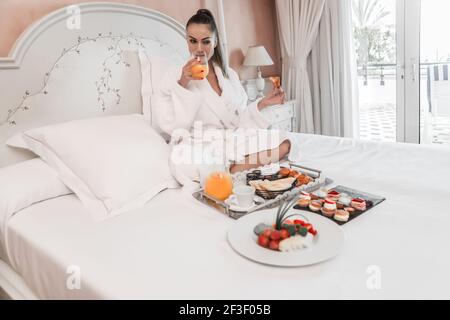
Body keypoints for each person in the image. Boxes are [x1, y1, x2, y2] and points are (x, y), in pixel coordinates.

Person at [152, 9, 294, 189]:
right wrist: (183, 83)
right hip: (199, 144)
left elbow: (239, 119)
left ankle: (231, 170)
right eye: (192, 41)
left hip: (231, 139)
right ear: (186, 39)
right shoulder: (174, 75)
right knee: (187, 162)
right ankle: (235, 170)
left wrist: (264, 102)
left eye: (206, 42)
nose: (199, 49)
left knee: (284, 143)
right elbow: (173, 127)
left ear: (216, 41)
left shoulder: (229, 75)